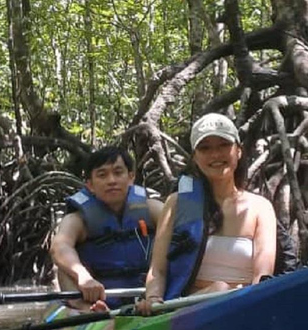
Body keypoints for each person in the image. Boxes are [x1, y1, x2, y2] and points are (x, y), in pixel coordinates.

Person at [136, 113, 278, 315]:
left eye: (223, 145)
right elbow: (157, 271)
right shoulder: (176, 204)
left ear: (238, 151)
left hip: (244, 310)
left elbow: (262, 277)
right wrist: (153, 298)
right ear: (195, 157)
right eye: (205, 148)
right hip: (185, 312)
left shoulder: (260, 208)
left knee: (223, 290)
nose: (215, 155)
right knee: (220, 288)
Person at [51, 146, 164, 312]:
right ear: (90, 185)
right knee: (64, 268)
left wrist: (154, 294)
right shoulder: (78, 219)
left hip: (146, 291)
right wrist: (84, 277)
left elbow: (183, 231)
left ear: (131, 177)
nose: (111, 180)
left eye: (118, 173)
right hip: (95, 294)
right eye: (102, 175)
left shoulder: (151, 209)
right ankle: (86, 309)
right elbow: (59, 247)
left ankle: (154, 303)